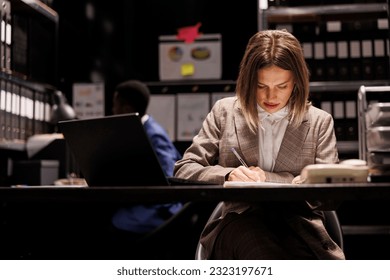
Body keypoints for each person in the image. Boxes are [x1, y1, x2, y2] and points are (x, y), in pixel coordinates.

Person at [174, 29, 345, 260]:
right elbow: (185, 168)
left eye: (281, 86)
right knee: (261, 250)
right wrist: (228, 175)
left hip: (299, 227)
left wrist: (302, 182)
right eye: (261, 85)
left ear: (296, 81)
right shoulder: (225, 112)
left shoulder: (318, 122)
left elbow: (331, 197)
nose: (271, 96)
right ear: (248, 80)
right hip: (239, 223)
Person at [111, 79, 183, 237]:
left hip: (159, 208)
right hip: (143, 202)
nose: (112, 110)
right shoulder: (136, 130)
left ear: (126, 109)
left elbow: (168, 177)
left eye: (115, 105)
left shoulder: (153, 134)